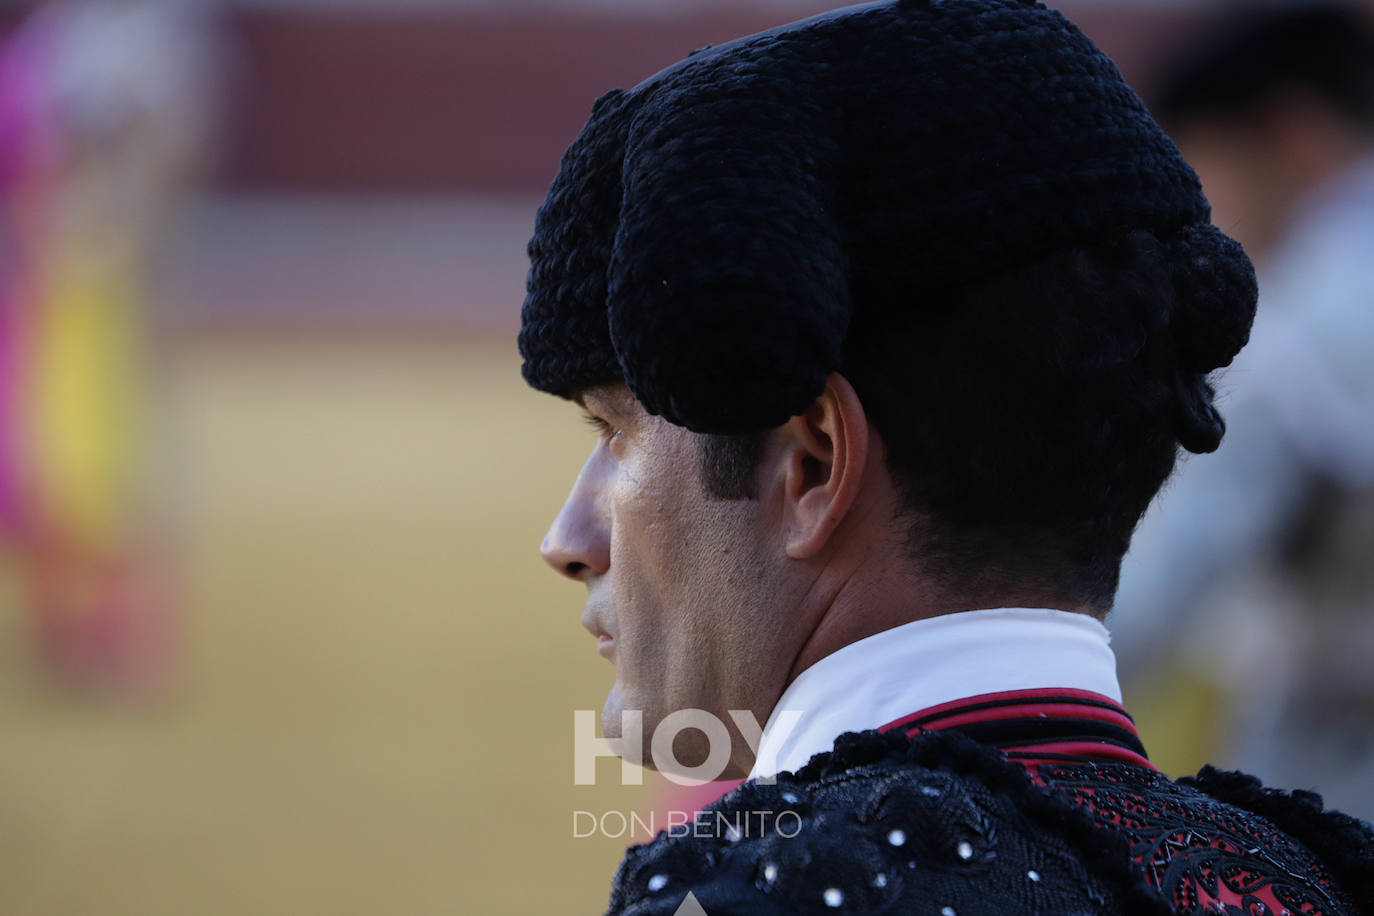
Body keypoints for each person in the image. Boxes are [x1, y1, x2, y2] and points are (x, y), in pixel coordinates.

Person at [520, 1, 1374, 913]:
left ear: (812, 462)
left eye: (619, 434)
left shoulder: (759, 890)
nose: (567, 538)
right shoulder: (1312, 873)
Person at [1110, 3, 1374, 821]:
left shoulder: (1313, 313)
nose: (1202, 212)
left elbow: (1151, 597)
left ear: (1288, 133)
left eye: (1204, 167)